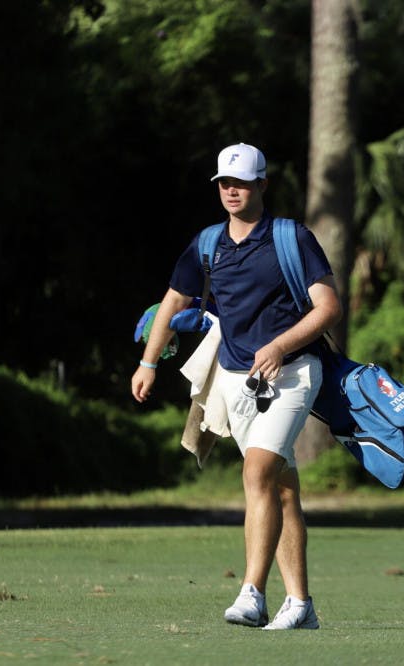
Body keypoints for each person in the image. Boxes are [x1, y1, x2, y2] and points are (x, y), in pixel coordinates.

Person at [131, 142, 342, 630]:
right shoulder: (206, 244)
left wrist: (280, 346)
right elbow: (171, 302)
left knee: (256, 473)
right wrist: (148, 363)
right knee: (281, 490)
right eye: (225, 183)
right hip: (237, 378)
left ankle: (252, 593)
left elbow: (328, 307)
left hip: (293, 373)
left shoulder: (293, 238)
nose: (232, 191)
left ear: (262, 185)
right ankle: (301, 605)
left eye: (242, 183)